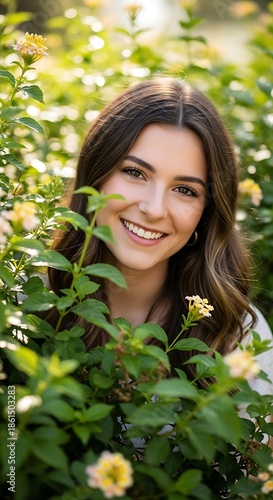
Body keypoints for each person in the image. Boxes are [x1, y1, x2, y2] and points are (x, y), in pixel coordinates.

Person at [46, 77, 273, 392]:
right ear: (96, 174)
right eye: (135, 173)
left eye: (184, 190)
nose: (153, 209)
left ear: (206, 210)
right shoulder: (29, 303)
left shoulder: (241, 338)